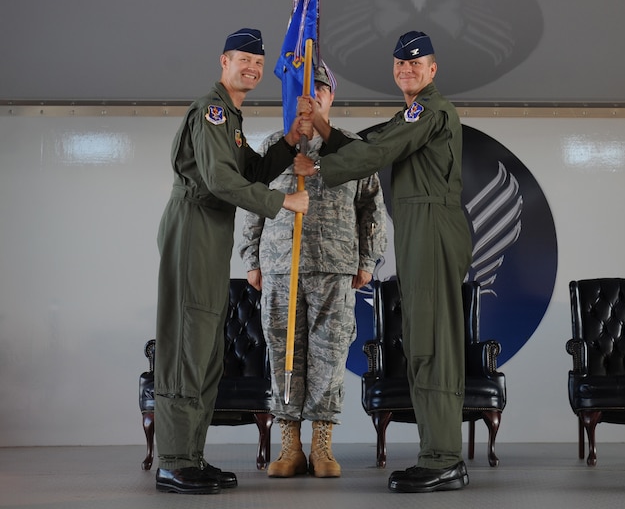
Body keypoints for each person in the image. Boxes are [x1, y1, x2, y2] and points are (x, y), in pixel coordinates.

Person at [294, 31, 472, 493]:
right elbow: (375, 138)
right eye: (399, 65)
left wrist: (321, 168)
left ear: (433, 70)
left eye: (416, 64)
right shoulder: (412, 113)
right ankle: (438, 453)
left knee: (433, 343)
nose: (406, 70)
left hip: (432, 226)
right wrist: (326, 126)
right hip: (418, 227)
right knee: (421, 341)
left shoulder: (431, 110)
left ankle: (444, 458)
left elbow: (378, 152)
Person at [153, 28, 311, 495]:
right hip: (194, 227)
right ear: (224, 61)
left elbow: (248, 170)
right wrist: (283, 204)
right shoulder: (214, 111)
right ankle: (175, 461)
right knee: (188, 343)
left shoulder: (233, 118)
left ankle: (191, 456)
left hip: (210, 230)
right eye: (244, 59)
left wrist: (287, 144)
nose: (253, 68)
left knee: (203, 346)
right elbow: (221, 180)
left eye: (258, 62)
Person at [238, 66, 387, 479]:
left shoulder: (353, 148)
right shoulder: (274, 146)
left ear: (331, 97)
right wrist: (251, 258)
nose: (312, 94)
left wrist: (367, 260)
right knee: (283, 353)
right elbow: (253, 201)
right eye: (304, 88)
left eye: (320, 88)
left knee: (330, 354)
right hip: (281, 266)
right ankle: (290, 447)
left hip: (334, 266)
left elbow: (372, 209)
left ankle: (322, 445)